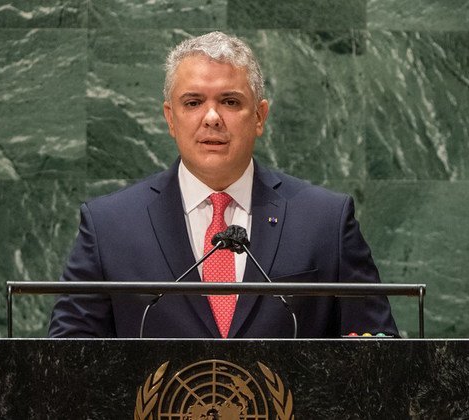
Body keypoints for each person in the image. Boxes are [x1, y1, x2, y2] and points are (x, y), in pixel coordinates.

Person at [48, 31, 397, 338]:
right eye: (193, 102)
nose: (212, 117)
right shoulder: (109, 226)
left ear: (259, 116)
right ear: (170, 118)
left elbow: (378, 356)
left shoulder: (325, 221)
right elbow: (65, 363)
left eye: (230, 102)